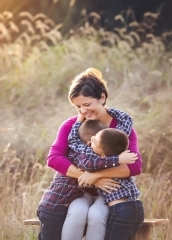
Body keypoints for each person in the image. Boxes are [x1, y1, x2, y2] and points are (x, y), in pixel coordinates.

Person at [37, 67, 142, 240]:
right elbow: (54, 158)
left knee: (98, 215)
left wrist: (97, 176)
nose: (83, 111)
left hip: (110, 193)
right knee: (78, 212)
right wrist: (88, 176)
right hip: (77, 192)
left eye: (87, 104)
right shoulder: (71, 126)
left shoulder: (121, 128)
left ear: (102, 97)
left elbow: (135, 165)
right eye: (78, 107)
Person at [69, 119, 144, 240]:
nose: (92, 138)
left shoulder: (98, 161)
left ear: (103, 156)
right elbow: (126, 123)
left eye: (95, 141)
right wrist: (111, 111)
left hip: (121, 211)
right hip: (134, 207)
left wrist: (78, 121)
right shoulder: (118, 157)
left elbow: (73, 141)